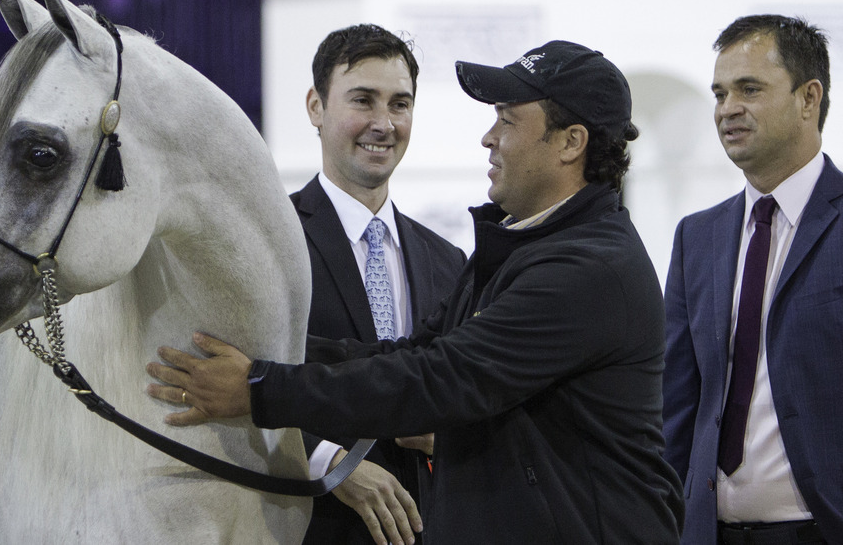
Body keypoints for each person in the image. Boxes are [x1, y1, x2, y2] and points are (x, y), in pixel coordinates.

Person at [147, 40, 685, 543]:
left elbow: (439, 378)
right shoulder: (520, 247)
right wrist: (265, 359)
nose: (489, 138)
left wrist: (261, 389)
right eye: (362, 99)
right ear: (316, 107)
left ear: (571, 143)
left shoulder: (587, 267)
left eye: (506, 120)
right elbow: (412, 354)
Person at [663, 15, 842, 544]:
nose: (727, 109)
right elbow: (677, 407)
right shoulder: (697, 237)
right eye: (720, 94)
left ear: (809, 98)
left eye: (749, 89)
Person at [292, 24, 466, 545]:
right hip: (308, 528)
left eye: (400, 104)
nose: (384, 124)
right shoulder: (270, 240)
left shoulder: (448, 261)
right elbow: (233, 381)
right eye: (363, 100)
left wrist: (447, 433)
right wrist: (330, 462)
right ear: (316, 107)